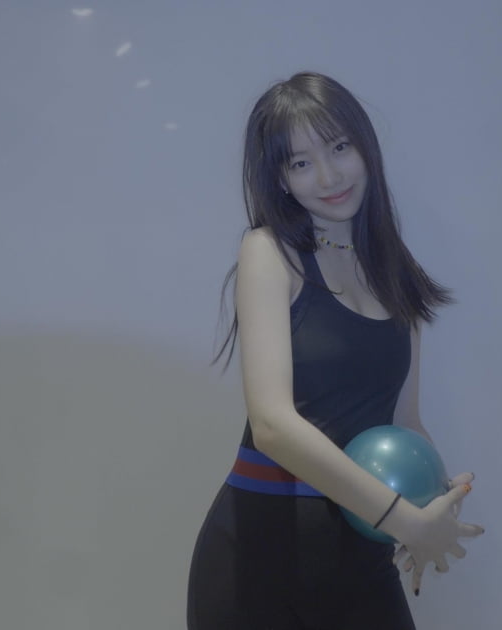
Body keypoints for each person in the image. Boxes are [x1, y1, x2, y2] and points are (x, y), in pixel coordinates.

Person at [187, 72, 483, 630]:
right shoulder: (269, 252)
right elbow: (272, 425)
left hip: (362, 556)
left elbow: (405, 422)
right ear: (279, 179)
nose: (328, 176)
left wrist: (437, 501)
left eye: (339, 147)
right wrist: (405, 521)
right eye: (300, 162)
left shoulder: (396, 270)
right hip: (258, 557)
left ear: (365, 147)